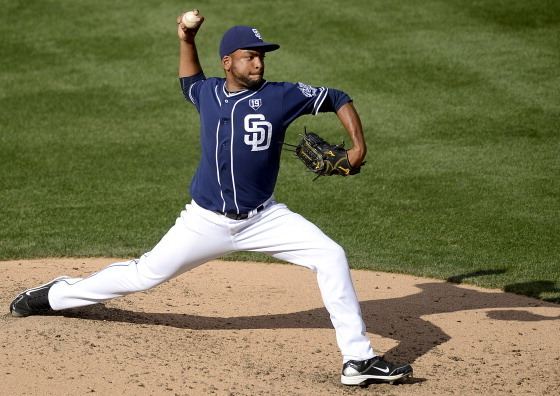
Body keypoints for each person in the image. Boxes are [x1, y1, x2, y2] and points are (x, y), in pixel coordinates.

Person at [9, 10, 412, 386]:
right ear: (227, 62)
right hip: (205, 221)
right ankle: (54, 294)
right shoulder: (208, 94)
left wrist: (357, 147)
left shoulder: (281, 96)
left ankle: (358, 361)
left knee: (331, 256)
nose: (259, 64)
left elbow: (338, 97)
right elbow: (188, 78)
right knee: (143, 274)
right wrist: (187, 36)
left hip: (265, 219)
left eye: (262, 57)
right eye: (250, 57)